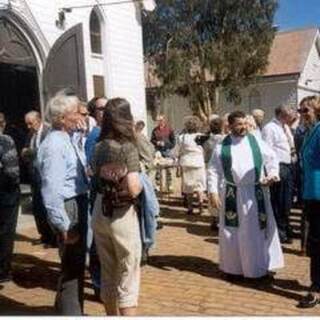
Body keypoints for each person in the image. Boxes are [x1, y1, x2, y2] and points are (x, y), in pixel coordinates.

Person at [207, 110, 284, 279]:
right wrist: (212, 192)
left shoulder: (255, 141)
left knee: (257, 232)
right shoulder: (221, 146)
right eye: (239, 124)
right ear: (230, 125)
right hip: (232, 194)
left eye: (245, 124)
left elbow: (272, 158)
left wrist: (272, 175)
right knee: (232, 232)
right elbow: (213, 170)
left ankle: (259, 268)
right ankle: (233, 269)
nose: (243, 127)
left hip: (255, 194)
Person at [37, 93, 89, 315]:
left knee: (73, 266)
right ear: (61, 118)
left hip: (76, 202)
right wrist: (63, 224)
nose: (80, 115)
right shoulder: (55, 145)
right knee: (72, 269)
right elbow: (50, 189)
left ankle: (63, 311)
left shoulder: (67, 138)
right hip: (69, 207)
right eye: (76, 111)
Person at [91, 98, 142, 316]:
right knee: (128, 272)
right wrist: (141, 186)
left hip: (100, 209)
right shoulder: (128, 148)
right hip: (122, 214)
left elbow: (93, 173)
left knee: (108, 271)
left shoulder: (98, 146)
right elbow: (132, 188)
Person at [298, 96, 320, 308]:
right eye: (300, 110)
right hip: (311, 193)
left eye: (305, 110)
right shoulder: (309, 132)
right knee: (315, 242)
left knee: (317, 242)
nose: (302, 114)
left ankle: (316, 288)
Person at [262, 105, 296, 244]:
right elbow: (267, 150)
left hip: (289, 166)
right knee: (279, 201)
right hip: (278, 167)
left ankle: (285, 226)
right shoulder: (270, 128)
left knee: (287, 201)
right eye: (290, 113)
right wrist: (271, 171)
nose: (293, 115)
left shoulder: (285, 127)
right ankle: (279, 231)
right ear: (282, 114)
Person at [22, 111, 55, 246]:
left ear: (38, 120)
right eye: (27, 124)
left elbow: (45, 151)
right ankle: (44, 235)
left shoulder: (49, 132)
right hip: (34, 176)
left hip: (46, 176)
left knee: (47, 207)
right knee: (38, 208)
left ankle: (53, 238)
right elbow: (24, 150)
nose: (29, 126)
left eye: (31, 123)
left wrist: (30, 152)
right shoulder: (31, 133)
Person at [175, 116, 206, 215]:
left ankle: (190, 207)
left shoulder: (182, 137)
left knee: (188, 186)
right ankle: (201, 206)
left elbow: (178, 151)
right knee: (199, 185)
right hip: (199, 162)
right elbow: (204, 150)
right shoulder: (202, 137)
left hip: (187, 162)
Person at [0, 133, 20, 283]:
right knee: (6, 231)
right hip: (6, 193)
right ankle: (3, 270)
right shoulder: (5, 141)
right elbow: (12, 171)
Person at [202, 116, 224, 230]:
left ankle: (214, 219)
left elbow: (205, 156)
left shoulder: (207, 141)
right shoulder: (225, 139)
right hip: (223, 169)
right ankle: (222, 218)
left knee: (212, 192)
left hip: (210, 167)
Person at [151, 115, 176, 192]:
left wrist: (166, 144)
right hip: (158, 151)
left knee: (168, 168)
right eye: (158, 120)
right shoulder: (154, 130)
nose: (160, 122)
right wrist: (157, 143)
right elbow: (152, 140)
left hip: (167, 151)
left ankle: (170, 184)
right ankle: (158, 185)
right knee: (158, 168)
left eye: (161, 120)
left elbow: (173, 142)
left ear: (164, 120)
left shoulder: (169, 129)